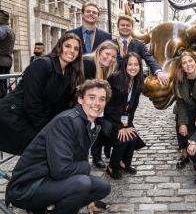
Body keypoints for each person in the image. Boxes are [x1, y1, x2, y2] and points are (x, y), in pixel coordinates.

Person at [5, 79, 112, 214]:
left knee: (102, 187)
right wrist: (85, 167)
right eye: (92, 97)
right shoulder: (68, 121)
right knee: (82, 183)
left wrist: (87, 197)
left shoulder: (89, 123)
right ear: (80, 99)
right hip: (27, 187)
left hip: (49, 179)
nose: (97, 103)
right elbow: (61, 170)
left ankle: (49, 210)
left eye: (102, 99)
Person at [0, 33, 84, 155]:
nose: (72, 51)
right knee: (41, 149)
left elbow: (61, 105)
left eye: (76, 49)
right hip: (13, 115)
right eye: (68, 46)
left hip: (32, 117)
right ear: (60, 47)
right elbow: (32, 102)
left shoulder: (70, 72)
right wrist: (47, 129)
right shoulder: (42, 64)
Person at [104, 53, 146, 179]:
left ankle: (124, 164)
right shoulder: (115, 78)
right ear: (124, 65)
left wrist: (128, 124)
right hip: (108, 118)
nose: (133, 67)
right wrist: (121, 127)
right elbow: (109, 107)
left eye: (136, 64)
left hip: (124, 118)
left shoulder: (137, 80)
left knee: (132, 135)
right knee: (122, 137)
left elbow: (132, 107)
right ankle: (112, 167)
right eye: (130, 64)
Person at [83, 40, 119, 168]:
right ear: (99, 51)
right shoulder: (88, 63)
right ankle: (81, 158)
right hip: (84, 104)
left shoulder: (107, 69)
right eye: (107, 54)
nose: (110, 58)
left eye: (113, 57)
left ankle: (96, 156)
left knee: (98, 129)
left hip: (97, 105)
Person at [115, 14, 169, 86]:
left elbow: (149, 58)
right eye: (122, 25)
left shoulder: (139, 44)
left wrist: (159, 72)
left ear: (132, 28)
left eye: (128, 25)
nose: (125, 27)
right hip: (115, 83)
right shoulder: (110, 43)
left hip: (134, 84)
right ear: (118, 27)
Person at [0, 9, 16, 98]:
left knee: (1, 86)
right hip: (7, 61)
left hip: (1, 61)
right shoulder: (9, 29)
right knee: (4, 85)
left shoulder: (2, 29)